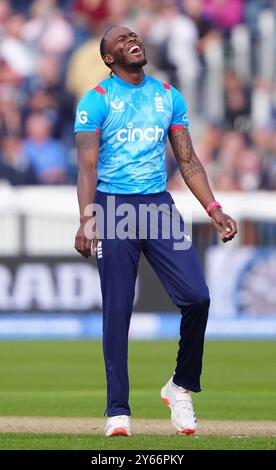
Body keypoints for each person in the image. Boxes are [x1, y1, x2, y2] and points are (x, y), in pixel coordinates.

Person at [74, 26, 237, 437]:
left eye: (134, 35)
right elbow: (87, 168)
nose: (133, 40)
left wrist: (214, 208)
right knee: (117, 312)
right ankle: (118, 412)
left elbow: (189, 160)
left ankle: (180, 387)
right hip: (113, 208)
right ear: (109, 58)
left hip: (158, 207)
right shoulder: (95, 101)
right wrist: (86, 218)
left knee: (198, 297)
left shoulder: (168, 95)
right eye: (121, 40)